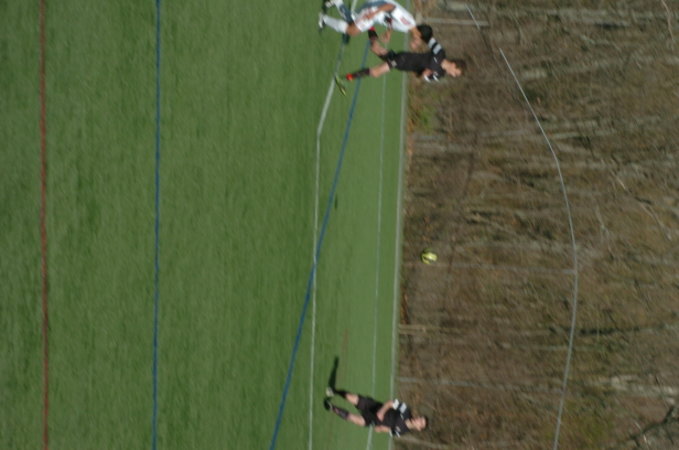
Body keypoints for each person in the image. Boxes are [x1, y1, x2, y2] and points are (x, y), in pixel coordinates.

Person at [341, 29, 466, 84]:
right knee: (376, 72)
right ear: (454, 65)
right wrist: (417, 38)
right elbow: (429, 38)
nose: (453, 75)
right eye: (456, 73)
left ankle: (369, 25)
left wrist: (424, 74)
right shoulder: (440, 52)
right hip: (403, 59)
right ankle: (346, 78)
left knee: (375, 48)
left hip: (403, 66)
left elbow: (422, 78)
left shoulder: (440, 75)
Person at [323, 386, 428, 437]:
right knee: (350, 397)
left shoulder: (403, 432)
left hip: (374, 421)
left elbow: (390, 430)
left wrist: (381, 429)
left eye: (421, 422)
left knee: (355, 419)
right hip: (374, 406)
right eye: (420, 418)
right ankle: (335, 391)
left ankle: (332, 408)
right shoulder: (406, 410)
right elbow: (391, 403)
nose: (418, 419)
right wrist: (382, 411)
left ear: (419, 428)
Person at [319, 0, 429, 47]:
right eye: (420, 41)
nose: (418, 43)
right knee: (353, 31)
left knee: (351, 22)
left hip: (377, 10)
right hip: (376, 8)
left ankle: (337, 2)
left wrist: (389, 32)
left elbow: (392, 18)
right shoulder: (408, 23)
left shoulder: (408, 27)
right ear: (419, 34)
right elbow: (391, 7)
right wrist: (374, 13)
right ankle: (323, 18)